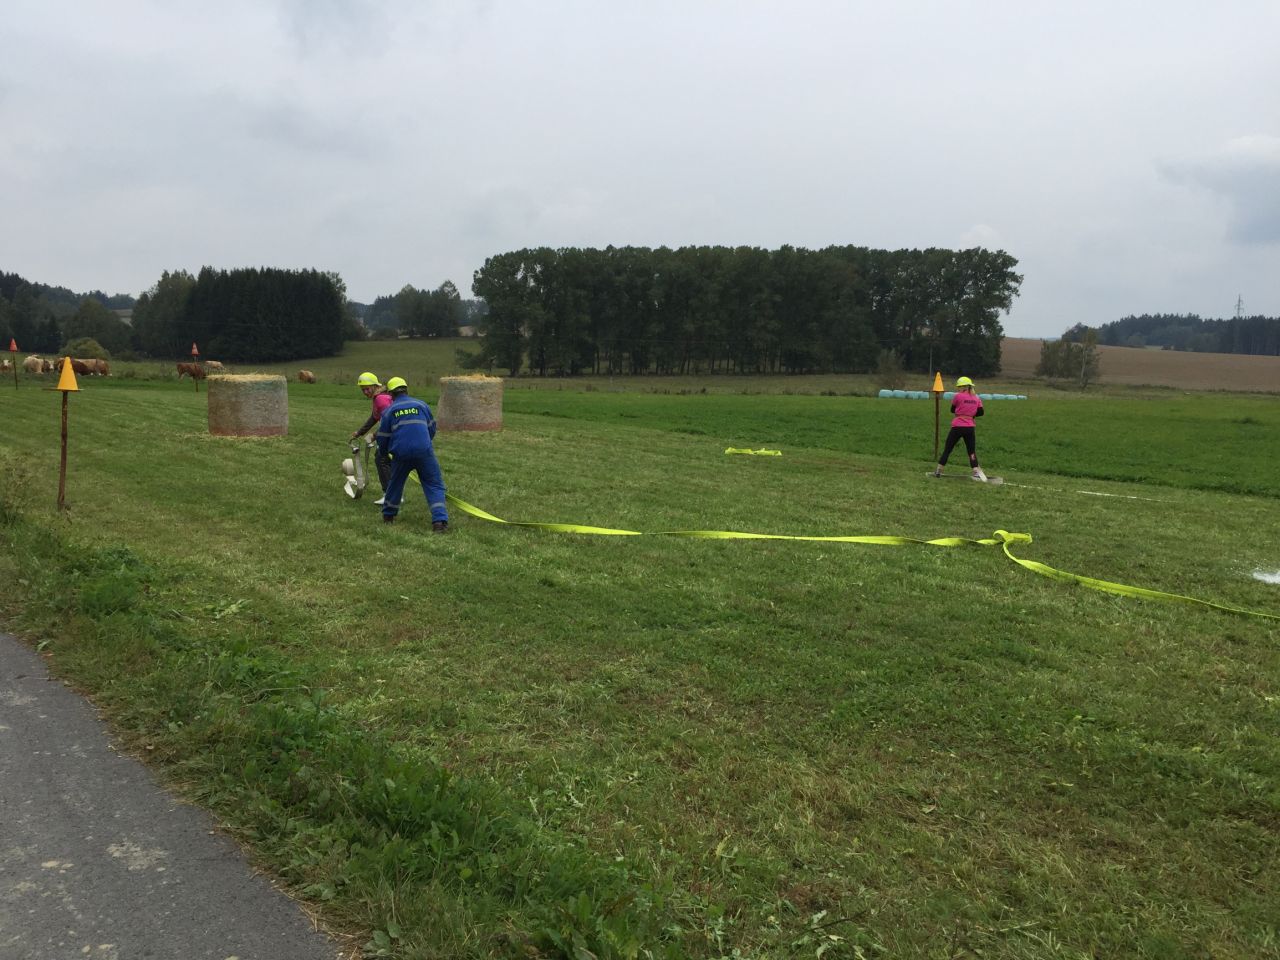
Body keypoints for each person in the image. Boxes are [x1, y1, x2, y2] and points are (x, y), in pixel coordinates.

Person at [376, 377, 449, 531]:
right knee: (434, 484)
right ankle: (439, 521)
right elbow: (431, 428)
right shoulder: (421, 405)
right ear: (406, 390)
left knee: (395, 483)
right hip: (424, 452)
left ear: (390, 394)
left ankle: (388, 515)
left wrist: (383, 453)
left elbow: (383, 437)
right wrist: (424, 443)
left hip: (400, 454)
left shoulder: (389, 411)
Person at [933, 376, 988, 481]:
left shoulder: (958, 396)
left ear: (964, 387)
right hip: (970, 427)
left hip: (957, 426)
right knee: (971, 451)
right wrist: (971, 414)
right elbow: (981, 412)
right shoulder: (976, 398)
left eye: (959, 386)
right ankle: (976, 472)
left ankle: (939, 470)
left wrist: (962, 411)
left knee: (948, 449)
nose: (958, 388)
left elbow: (952, 409)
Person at [351, 372, 394, 504]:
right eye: (362, 390)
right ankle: (394, 494)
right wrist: (360, 432)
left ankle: (390, 496)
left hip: (393, 434)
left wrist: (374, 436)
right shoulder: (378, 398)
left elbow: (390, 421)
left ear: (375, 386)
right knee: (384, 460)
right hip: (391, 434)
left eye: (367, 388)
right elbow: (374, 418)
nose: (365, 392)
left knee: (381, 460)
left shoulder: (381, 399)